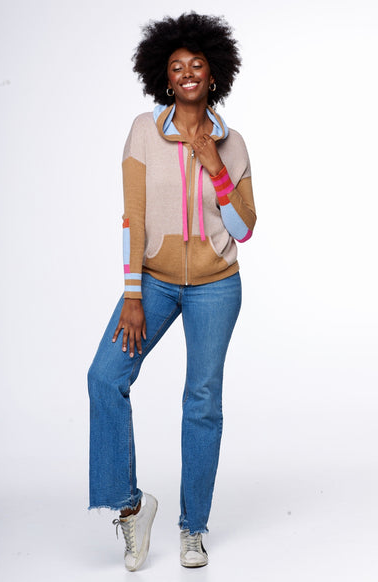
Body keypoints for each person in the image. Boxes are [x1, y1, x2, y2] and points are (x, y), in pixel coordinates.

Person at [88, 12, 256, 571]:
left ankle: (193, 528)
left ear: (213, 74)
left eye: (197, 64)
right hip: (155, 283)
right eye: (177, 66)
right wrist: (133, 294)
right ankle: (132, 507)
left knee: (201, 401)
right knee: (105, 376)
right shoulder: (144, 130)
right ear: (165, 77)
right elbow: (133, 217)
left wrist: (215, 166)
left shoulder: (233, 143)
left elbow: (244, 229)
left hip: (216, 287)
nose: (187, 73)